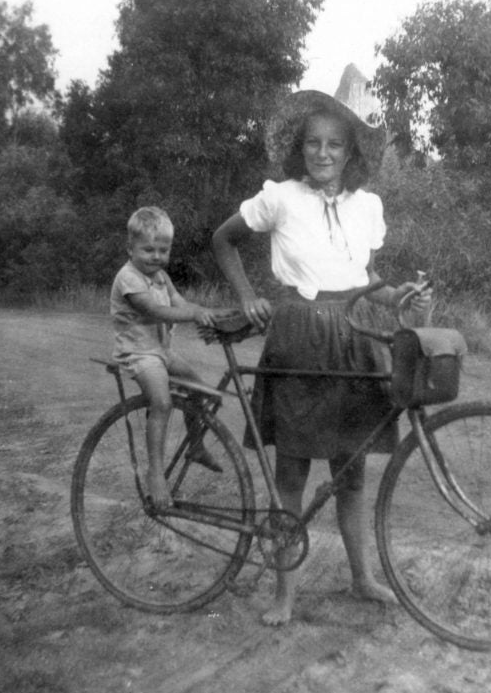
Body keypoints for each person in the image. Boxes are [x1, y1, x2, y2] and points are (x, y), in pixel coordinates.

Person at [212, 90, 430, 626]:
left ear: (350, 151)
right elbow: (223, 240)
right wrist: (247, 296)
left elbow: (365, 278)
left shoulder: (366, 206)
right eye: (313, 142)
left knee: (350, 472)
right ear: (300, 147)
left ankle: (362, 578)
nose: (323, 153)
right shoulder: (280, 198)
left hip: (355, 338)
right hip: (298, 337)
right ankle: (284, 595)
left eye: (334, 144)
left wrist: (399, 297)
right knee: (291, 473)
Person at [111, 206, 223, 508]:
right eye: (148, 250)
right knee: (162, 402)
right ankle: (156, 475)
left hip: (160, 351)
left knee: (199, 390)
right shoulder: (128, 278)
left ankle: (196, 446)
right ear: (130, 248)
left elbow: (179, 302)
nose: (156, 257)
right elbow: (156, 310)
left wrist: (208, 313)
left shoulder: (161, 276)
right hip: (138, 353)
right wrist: (193, 316)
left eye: (163, 250)